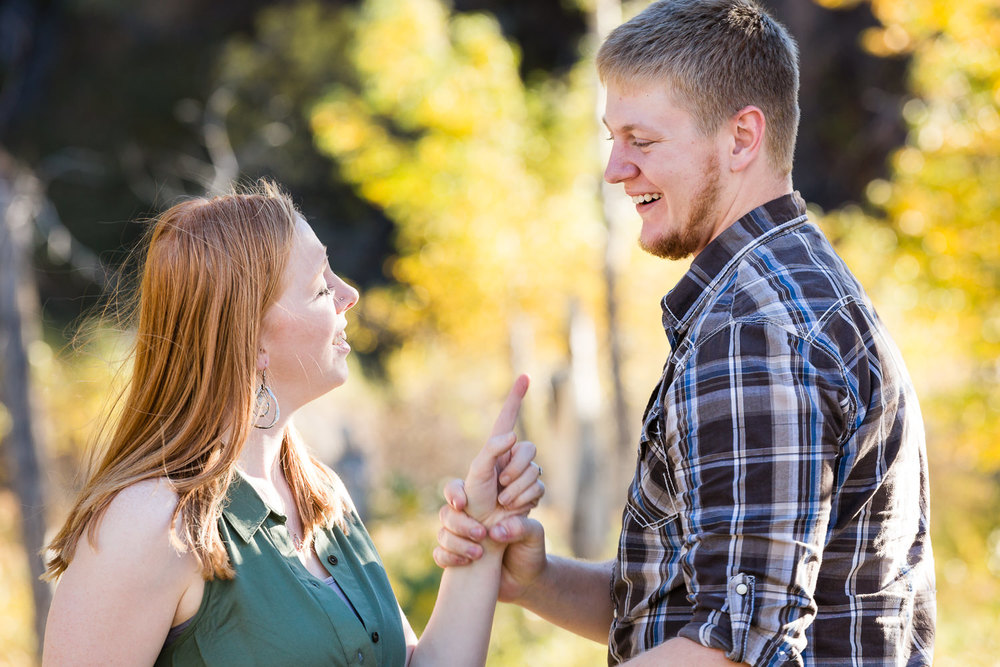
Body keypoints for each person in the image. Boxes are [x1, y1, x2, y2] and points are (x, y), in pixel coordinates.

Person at [434, 1, 936, 665]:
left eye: (641, 141)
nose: (615, 168)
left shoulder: (754, 329)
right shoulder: (784, 290)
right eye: (612, 138)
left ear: (740, 138)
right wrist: (539, 579)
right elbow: (710, 605)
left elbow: (733, 649)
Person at [41, 181, 544, 666]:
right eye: (320, 286)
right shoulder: (150, 523)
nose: (348, 294)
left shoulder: (321, 495)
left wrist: (484, 529)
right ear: (252, 338)